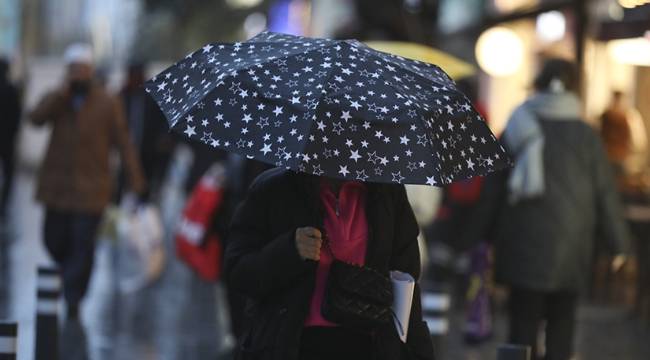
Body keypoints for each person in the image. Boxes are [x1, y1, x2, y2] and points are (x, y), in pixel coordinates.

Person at [465, 59, 629, 360]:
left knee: (522, 325)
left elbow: (493, 190)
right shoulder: (587, 136)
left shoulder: (517, 124)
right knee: (562, 324)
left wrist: (478, 237)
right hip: (573, 245)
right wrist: (620, 246)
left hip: (522, 244)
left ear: (538, 84)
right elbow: (605, 193)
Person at [224, 168, 435, 360]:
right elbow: (238, 271)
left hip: (369, 346)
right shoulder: (273, 188)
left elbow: (406, 283)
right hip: (293, 346)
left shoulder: (388, 193)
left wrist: (417, 352)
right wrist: (288, 250)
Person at [29, 43, 145, 319]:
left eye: (83, 69)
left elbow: (124, 142)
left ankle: (73, 297)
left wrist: (136, 180)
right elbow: (35, 119)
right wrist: (60, 95)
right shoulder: (59, 99)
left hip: (92, 192)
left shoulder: (107, 101)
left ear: (91, 71)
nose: (78, 75)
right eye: (73, 70)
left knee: (83, 247)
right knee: (53, 240)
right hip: (57, 190)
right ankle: (68, 277)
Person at [118, 62, 174, 201]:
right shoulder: (121, 97)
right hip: (125, 152)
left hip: (148, 152)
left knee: (145, 191)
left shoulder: (153, 97)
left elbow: (163, 122)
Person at [600, 90, 649, 180]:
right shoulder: (625, 116)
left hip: (614, 157)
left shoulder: (627, 116)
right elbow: (638, 141)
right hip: (614, 157)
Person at [0, 57, 21, 223]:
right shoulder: (11, 89)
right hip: (7, 141)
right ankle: (3, 206)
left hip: (7, 140)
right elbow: (17, 117)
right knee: (9, 175)